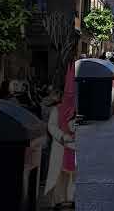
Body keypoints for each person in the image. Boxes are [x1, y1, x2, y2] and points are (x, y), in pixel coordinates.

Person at [44, 63, 76, 210]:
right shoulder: (56, 109)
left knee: (73, 176)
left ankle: (70, 199)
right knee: (59, 175)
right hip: (61, 146)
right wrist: (62, 136)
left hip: (74, 148)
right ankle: (59, 200)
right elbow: (51, 126)